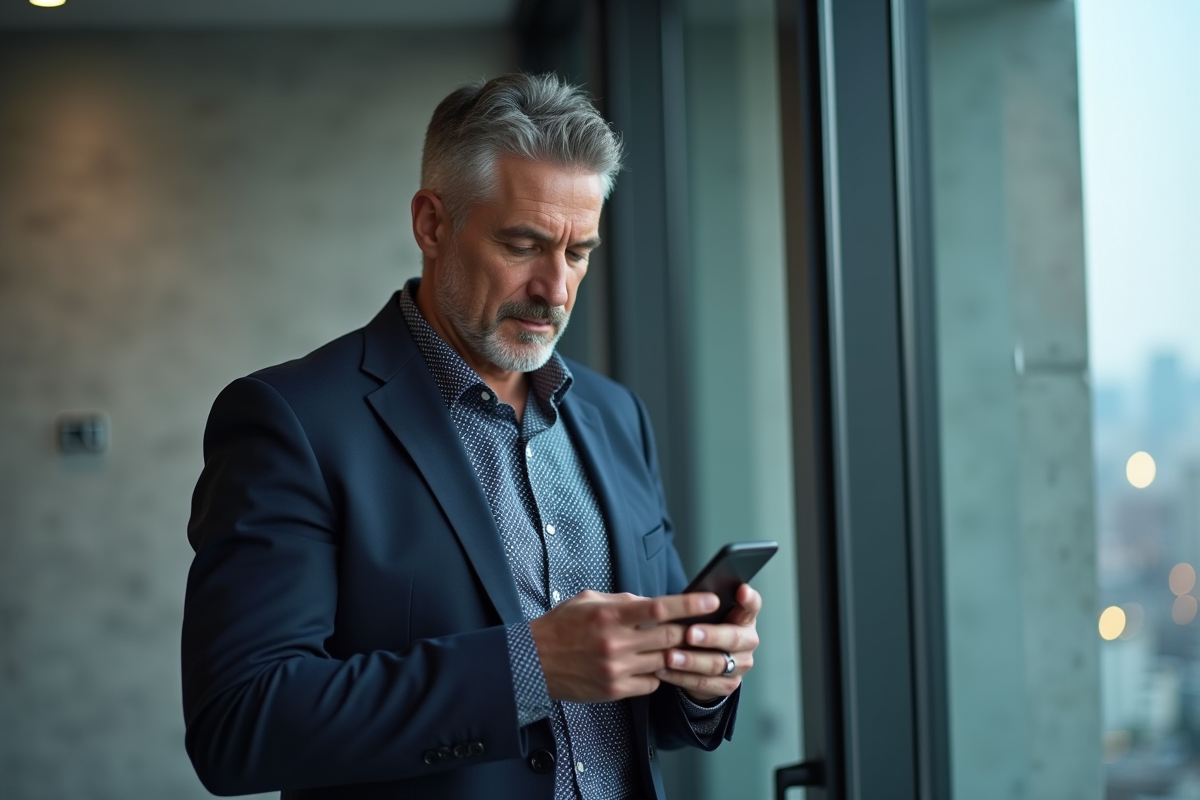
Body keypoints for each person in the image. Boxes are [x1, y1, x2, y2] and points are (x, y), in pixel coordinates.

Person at [182, 73, 763, 800]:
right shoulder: (290, 420)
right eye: (523, 244)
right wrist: (530, 666)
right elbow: (240, 726)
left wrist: (704, 676)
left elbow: (646, 717)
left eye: (578, 252)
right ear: (431, 224)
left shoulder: (618, 416)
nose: (555, 289)